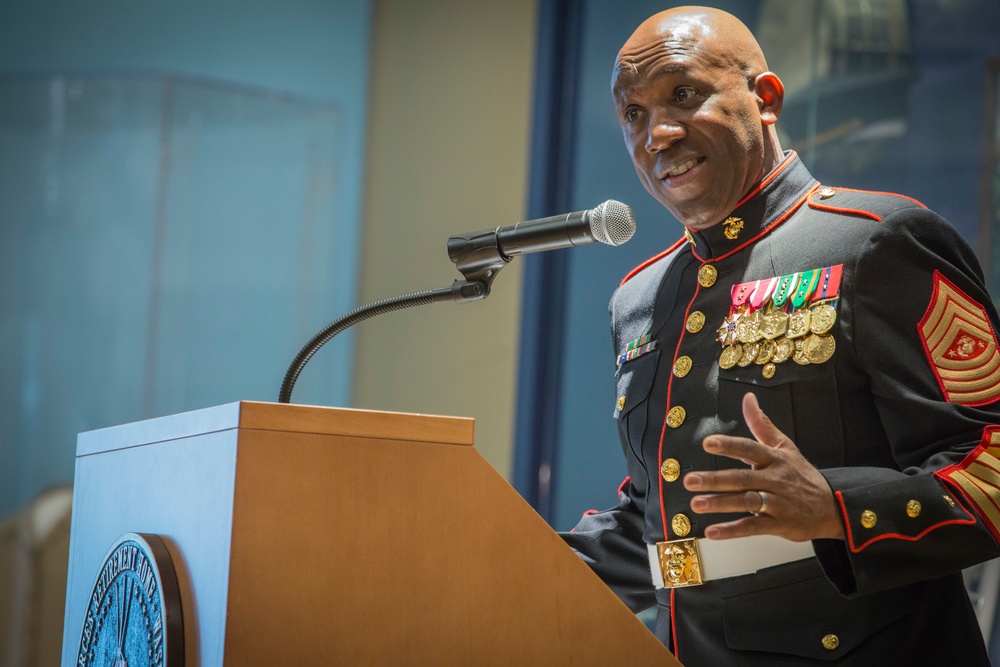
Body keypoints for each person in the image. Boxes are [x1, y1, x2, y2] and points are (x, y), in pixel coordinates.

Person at [560, 6, 1000, 665]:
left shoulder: (875, 243)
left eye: (683, 94)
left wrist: (836, 508)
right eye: (635, 114)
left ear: (765, 99)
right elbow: (663, 519)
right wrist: (502, 557)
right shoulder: (640, 297)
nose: (659, 134)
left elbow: (990, 460)